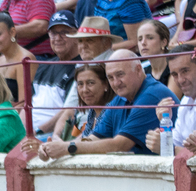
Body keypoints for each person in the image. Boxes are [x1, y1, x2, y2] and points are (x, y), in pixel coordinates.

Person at [38, 47, 179, 158]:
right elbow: (92, 139)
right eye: (110, 77)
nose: (116, 83)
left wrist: (67, 148)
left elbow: (120, 145)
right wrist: (53, 148)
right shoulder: (120, 97)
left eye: (120, 75)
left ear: (138, 70)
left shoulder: (151, 95)